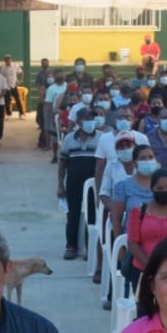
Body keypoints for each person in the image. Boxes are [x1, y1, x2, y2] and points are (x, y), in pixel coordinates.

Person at [124, 169, 167, 300]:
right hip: (144, 270)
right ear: (152, 189)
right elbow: (133, 243)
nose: (164, 191)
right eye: (160, 188)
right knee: (146, 314)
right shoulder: (139, 211)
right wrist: (151, 267)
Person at [57, 108, 101, 260]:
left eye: (92, 118)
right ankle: (71, 246)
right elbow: (62, 163)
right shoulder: (69, 139)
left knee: (92, 215)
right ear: (78, 122)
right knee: (72, 214)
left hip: (94, 184)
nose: (90, 121)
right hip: (73, 182)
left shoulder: (101, 138)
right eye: (86, 118)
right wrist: (60, 185)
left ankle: (90, 248)